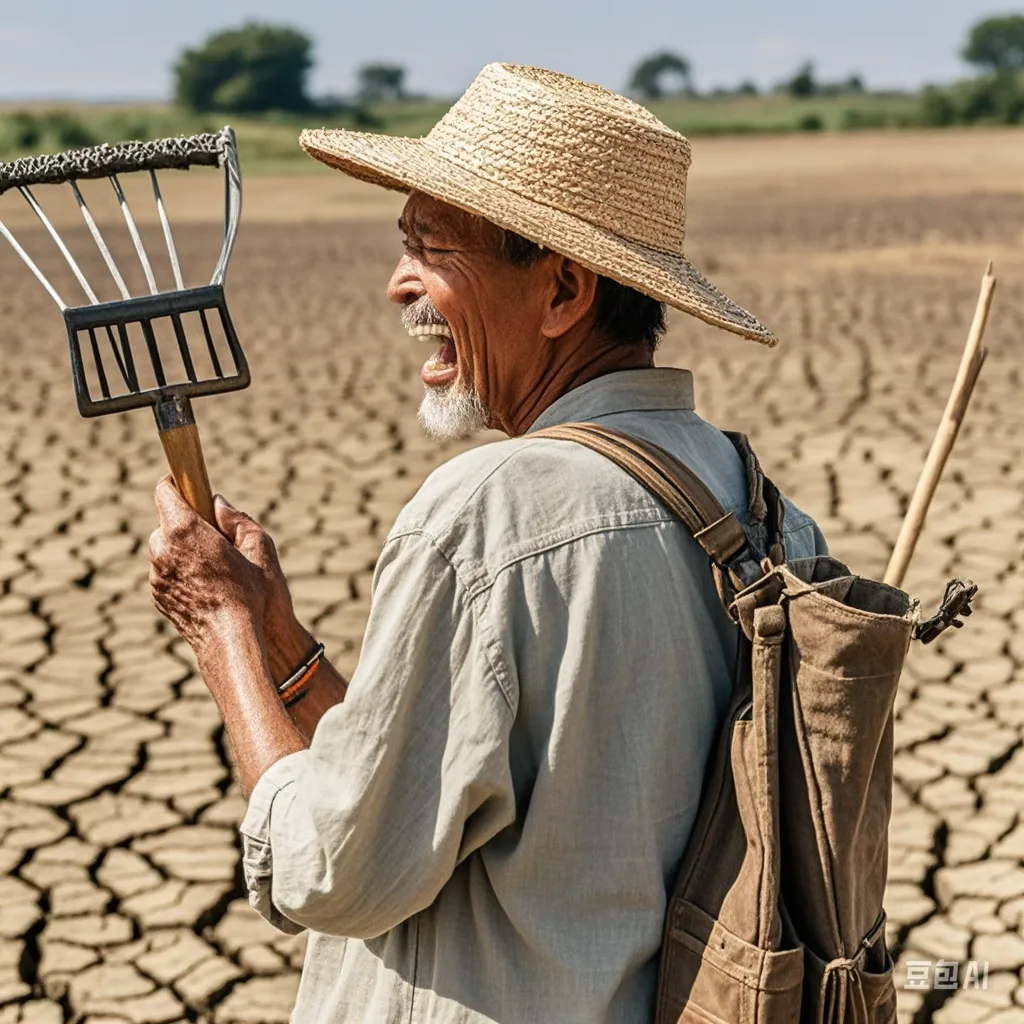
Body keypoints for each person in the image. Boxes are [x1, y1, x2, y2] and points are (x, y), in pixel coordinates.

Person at [149, 63, 827, 1024]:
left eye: (431, 249)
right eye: (403, 244)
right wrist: (280, 641)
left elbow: (332, 871)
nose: (398, 286)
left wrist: (221, 637)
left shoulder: (488, 515)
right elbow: (435, 784)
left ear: (561, 290)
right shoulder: (766, 512)